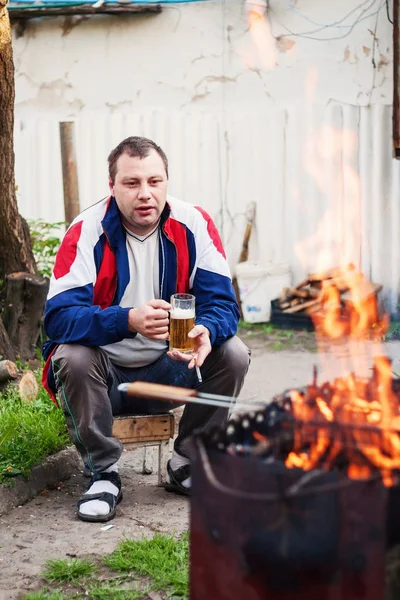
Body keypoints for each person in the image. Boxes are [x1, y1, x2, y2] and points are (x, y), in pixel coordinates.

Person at [42, 136, 251, 523]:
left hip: (169, 368)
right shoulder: (87, 229)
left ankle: (186, 464)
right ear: (112, 186)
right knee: (70, 355)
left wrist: (205, 329)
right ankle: (102, 473)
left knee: (233, 351)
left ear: (167, 182)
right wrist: (127, 320)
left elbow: (223, 304)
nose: (145, 194)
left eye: (154, 182)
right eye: (132, 183)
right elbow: (58, 318)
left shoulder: (194, 223)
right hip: (102, 380)